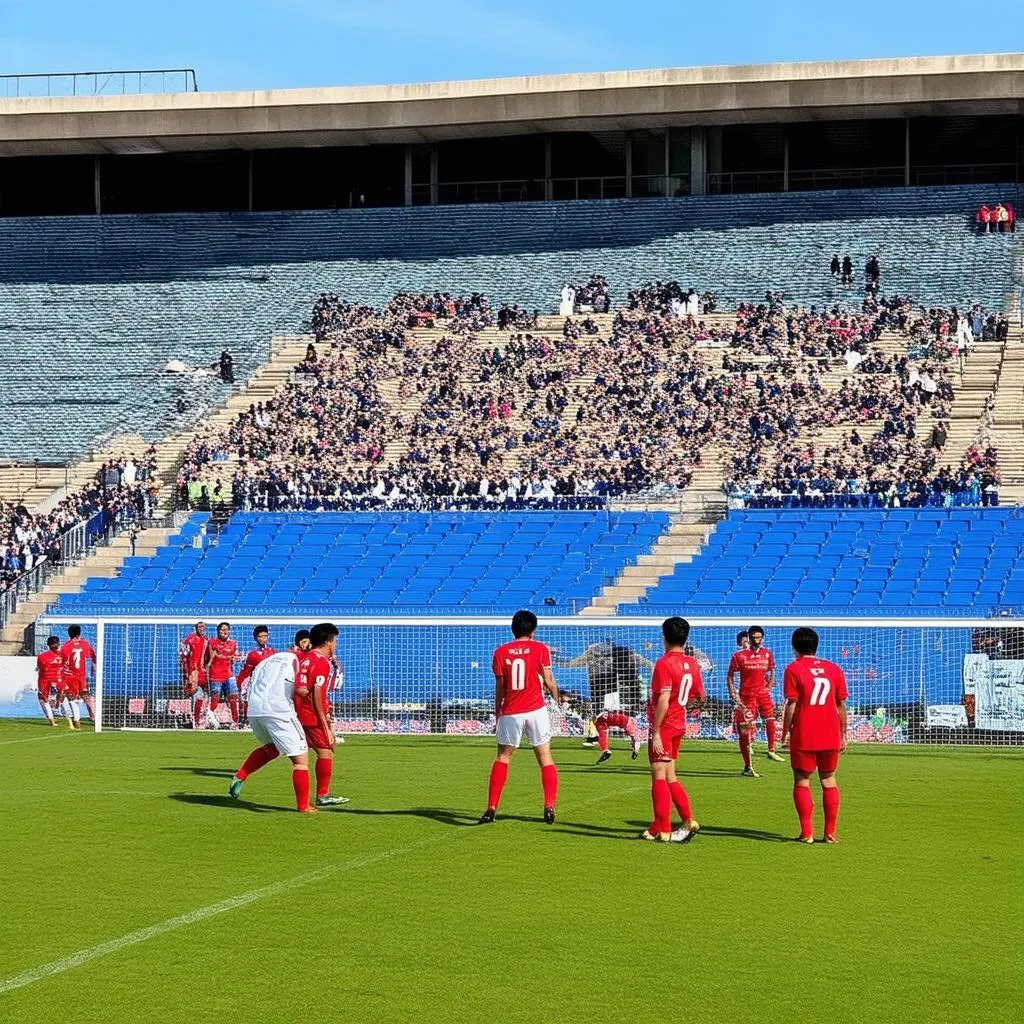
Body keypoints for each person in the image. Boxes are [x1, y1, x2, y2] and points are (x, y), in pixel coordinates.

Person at [479, 609, 560, 824]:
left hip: (511, 712)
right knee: (545, 758)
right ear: (533, 630)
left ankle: (491, 807)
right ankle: (549, 806)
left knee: (503, 757)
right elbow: (549, 679)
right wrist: (558, 699)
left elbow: (500, 686)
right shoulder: (540, 649)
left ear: (513, 629)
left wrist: (498, 711)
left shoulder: (500, 651)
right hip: (536, 710)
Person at [780, 627, 849, 843]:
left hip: (805, 733)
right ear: (816, 646)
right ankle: (830, 833)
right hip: (830, 733)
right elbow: (840, 705)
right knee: (829, 779)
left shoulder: (794, 669)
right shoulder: (833, 669)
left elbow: (792, 704)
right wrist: (844, 733)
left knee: (802, 780)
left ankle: (807, 833)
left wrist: (785, 734)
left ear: (794, 647)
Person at [228, 649, 316, 812]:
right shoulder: (299, 661)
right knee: (300, 760)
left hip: (254, 712)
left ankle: (240, 775)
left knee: (272, 748)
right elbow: (300, 689)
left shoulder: (265, 662)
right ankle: (304, 806)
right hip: (277, 711)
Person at [641, 617, 703, 843]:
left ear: (664, 637)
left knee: (658, 775)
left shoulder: (664, 663)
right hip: (679, 725)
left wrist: (655, 731)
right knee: (670, 775)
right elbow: (699, 695)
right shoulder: (692, 664)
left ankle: (664, 830)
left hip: (665, 726)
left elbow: (664, 700)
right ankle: (686, 821)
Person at [294, 623, 349, 807]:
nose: (336, 644)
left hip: (298, 713)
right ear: (328, 641)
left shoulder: (304, 657)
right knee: (326, 751)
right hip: (312, 715)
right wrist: (323, 718)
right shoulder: (322, 662)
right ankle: (323, 795)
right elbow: (317, 691)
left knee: (289, 751)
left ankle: (242, 776)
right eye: (335, 640)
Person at [727, 625, 783, 776]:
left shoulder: (767, 654)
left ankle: (771, 750)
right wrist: (734, 694)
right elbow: (730, 675)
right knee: (744, 731)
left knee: (770, 719)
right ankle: (747, 767)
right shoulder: (739, 656)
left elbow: (772, 670)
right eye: (754, 638)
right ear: (749, 639)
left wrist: (769, 686)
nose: (757, 640)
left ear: (762, 638)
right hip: (746, 697)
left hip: (763, 694)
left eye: (759, 638)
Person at [204, 621, 242, 728]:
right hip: (215, 675)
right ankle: (210, 716)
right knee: (215, 698)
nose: (224, 632)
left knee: (233, 698)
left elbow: (233, 657)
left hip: (229, 674)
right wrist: (227, 657)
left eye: (226, 629)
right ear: (218, 631)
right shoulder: (212, 642)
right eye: (222, 629)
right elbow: (214, 656)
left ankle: (235, 722)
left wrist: (233, 657)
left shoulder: (233, 644)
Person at [180, 621, 217, 730]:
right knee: (197, 696)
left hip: (204, 673)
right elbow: (183, 656)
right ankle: (195, 720)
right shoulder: (189, 640)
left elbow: (209, 656)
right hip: (193, 672)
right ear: (195, 628)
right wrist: (186, 673)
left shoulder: (207, 640)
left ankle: (202, 720)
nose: (202, 629)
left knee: (204, 697)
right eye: (200, 627)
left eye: (203, 627)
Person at [236, 625, 277, 721]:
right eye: (260, 636)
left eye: (265, 636)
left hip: (269, 683)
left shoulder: (273, 652)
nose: (263, 639)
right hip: (257, 684)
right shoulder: (252, 654)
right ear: (255, 638)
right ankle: (246, 721)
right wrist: (240, 683)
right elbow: (246, 671)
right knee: (251, 701)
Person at [61, 624, 96, 723]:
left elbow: (62, 662)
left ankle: (76, 718)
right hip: (82, 676)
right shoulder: (85, 644)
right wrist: (94, 668)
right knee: (86, 695)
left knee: (71, 697)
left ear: (69, 634)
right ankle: (94, 715)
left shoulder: (66, 646)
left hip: (70, 676)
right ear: (79, 633)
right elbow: (93, 657)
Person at [36, 635, 65, 728]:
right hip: (59, 681)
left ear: (48, 645)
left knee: (43, 699)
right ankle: (62, 712)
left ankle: (51, 719)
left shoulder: (42, 656)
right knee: (62, 697)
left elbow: (40, 669)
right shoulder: (63, 655)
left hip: (45, 681)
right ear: (59, 643)